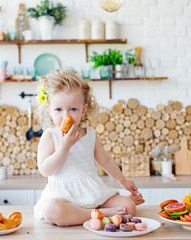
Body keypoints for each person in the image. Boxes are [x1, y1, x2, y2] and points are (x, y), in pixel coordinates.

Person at [34, 69, 145, 226]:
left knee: (129, 207)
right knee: (51, 211)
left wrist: (123, 180)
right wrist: (65, 146)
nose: (66, 116)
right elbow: (46, 170)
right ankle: (101, 214)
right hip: (63, 196)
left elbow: (105, 160)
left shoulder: (90, 135)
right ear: (49, 110)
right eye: (58, 109)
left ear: (83, 110)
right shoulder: (50, 135)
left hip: (92, 192)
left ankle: (98, 211)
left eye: (73, 109)